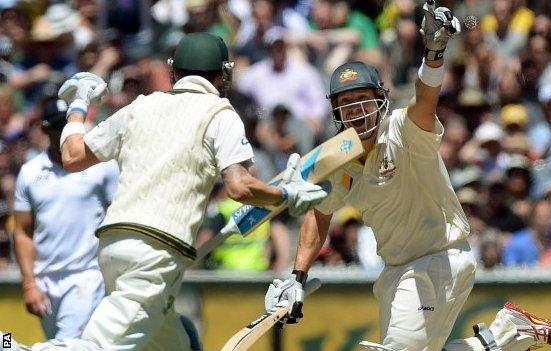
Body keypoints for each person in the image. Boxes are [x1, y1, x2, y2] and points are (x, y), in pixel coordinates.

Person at [263, 2, 551, 351]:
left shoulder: (402, 129)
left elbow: (426, 100)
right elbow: (319, 213)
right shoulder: (338, 159)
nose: (356, 115)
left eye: (363, 103)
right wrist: (297, 276)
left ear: (380, 102)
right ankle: (504, 336)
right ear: (335, 113)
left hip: (438, 259)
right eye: (346, 106)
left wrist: (435, 53)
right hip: (396, 272)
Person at [1, 32, 327, 350]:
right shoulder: (220, 113)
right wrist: (286, 196)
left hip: (113, 246)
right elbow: (239, 186)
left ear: (173, 71)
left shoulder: (140, 106)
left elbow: (72, 156)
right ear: (223, 74)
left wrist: (78, 104)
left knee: (173, 339)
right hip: (156, 252)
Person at [12, 98, 117, 341]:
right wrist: (29, 283)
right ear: (46, 129)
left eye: (69, 125)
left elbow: (120, 214)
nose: (65, 132)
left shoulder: (102, 166)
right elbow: (22, 232)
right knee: (59, 343)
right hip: (45, 280)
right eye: (59, 126)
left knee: (66, 344)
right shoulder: (30, 173)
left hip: (87, 276)